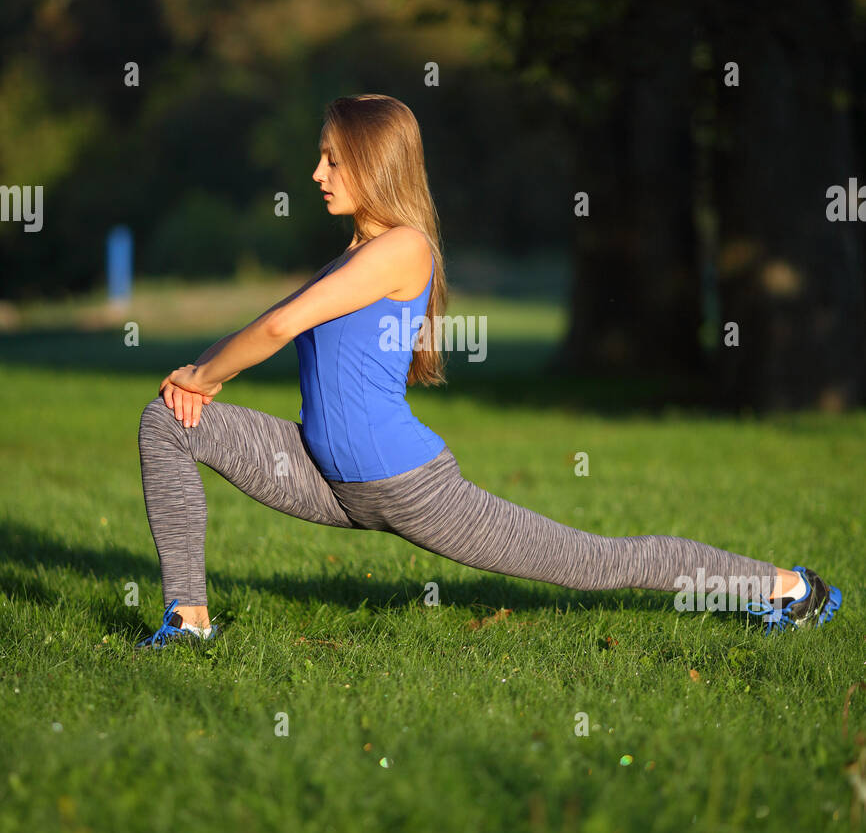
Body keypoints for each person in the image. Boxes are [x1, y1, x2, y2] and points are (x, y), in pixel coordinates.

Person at [136, 94, 841, 648]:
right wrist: (194, 379)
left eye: (333, 160)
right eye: (320, 159)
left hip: (407, 486)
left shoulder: (403, 248)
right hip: (326, 480)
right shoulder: (350, 260)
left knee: (594, 562)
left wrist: (204, 374)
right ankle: (189, 620)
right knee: (167, 423)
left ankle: (788, 588)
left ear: (375, 164)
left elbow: (278, 326)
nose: (317, 174)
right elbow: (274, 318)